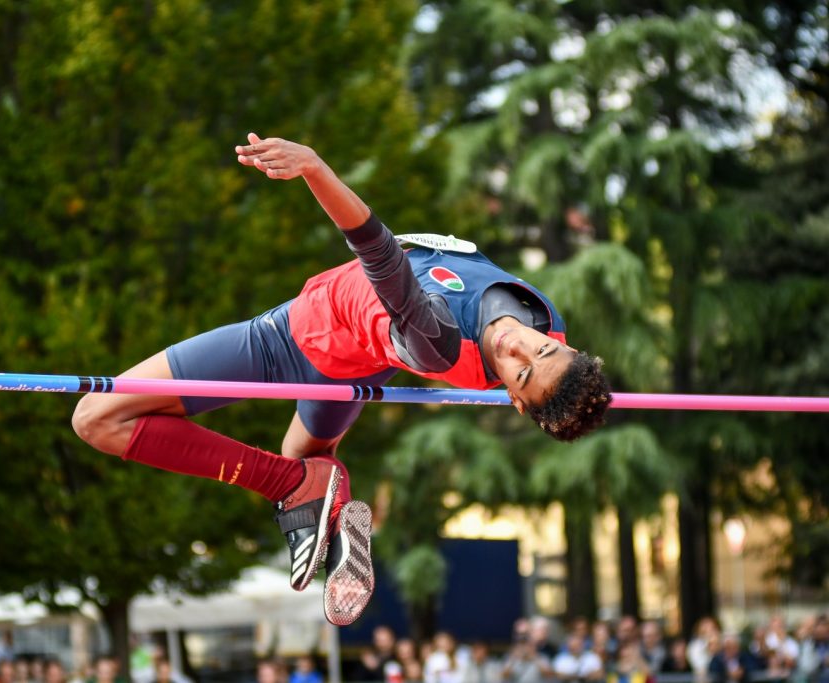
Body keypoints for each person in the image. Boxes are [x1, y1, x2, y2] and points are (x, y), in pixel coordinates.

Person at [72, 132, 612, 626]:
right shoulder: (548, 320)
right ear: (565, 343)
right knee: (304, 460)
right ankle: (317, 494)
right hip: (348, 369)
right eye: (541, 348)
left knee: (97, 418)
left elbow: (377, 249)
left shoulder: (440, 343)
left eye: (521, 370)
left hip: (291, 340)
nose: (519, 345)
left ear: (514, 398)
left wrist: (314, 168)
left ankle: (292, 486)